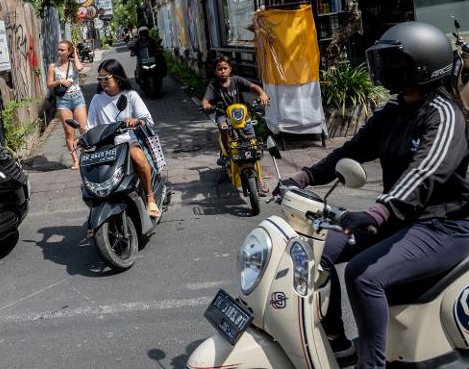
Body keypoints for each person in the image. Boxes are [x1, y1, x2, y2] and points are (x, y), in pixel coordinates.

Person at [279, 22, 469, 369]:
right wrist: (302, 177)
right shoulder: (392, 112)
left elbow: (424, 172)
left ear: (422, 67)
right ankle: (336, 342)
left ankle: (372, 365)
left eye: (394, 63)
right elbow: (351, 151)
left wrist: (378, 212)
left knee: (364, 275)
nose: (383, 70)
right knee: (310, 251)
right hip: (401, 219)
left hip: (444, 226)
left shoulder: (445, 116)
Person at [85, 59, 160, 217]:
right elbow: (90, 126)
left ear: (117, 77)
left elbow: (148, 119)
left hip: (128, 141)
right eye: (100, 79)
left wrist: (136, 121)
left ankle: (150, 197)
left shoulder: (130, 95)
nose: (103, 82)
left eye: (107, 78)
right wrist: (83, 139)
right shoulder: (97, 99)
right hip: (106, 146)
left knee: (138, 157)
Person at [201, 55, 270, 191]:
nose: (222, 71)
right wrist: (206, 105)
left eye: (225, 68)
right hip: (224, 116)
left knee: (253, 145)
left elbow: (254, 86)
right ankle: (228, 153)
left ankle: (260, 180)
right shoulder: (213, 85)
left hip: (243, 117)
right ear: (215, 71)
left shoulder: (237, 80)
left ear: (230, 69)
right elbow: (205, 100)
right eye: (219, 69)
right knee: (223, 127)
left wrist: (262, 94)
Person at [47, 40, 87, 169]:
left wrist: (75, 53)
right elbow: (49, 84)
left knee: (83, 129)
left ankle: (85, 156)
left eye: (62, 50)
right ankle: (75, 160)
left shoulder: (73, 63)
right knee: (69, 132)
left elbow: (80, 68)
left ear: (68, 51)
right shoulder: (53, 66)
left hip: (77, 97)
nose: (59, 52)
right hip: (63, 100)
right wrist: (60, 81)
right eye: (58, 49)